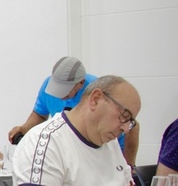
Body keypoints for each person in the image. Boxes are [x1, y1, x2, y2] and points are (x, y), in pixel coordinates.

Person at [13, 75, 151, 186]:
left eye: (130, 122)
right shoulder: (45, 141)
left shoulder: (110, 142)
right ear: (95, 99)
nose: (126, 129)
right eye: (124, 116)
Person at [8, 56, 138, 163]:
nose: (61, 95)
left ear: (81, 83)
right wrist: (25, 128)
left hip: (104, 151)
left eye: (66, 89)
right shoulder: (47, 85)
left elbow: (132, 127)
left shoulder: (98, 93)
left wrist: (129, 165)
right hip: (72, 151)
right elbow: (40, 114)